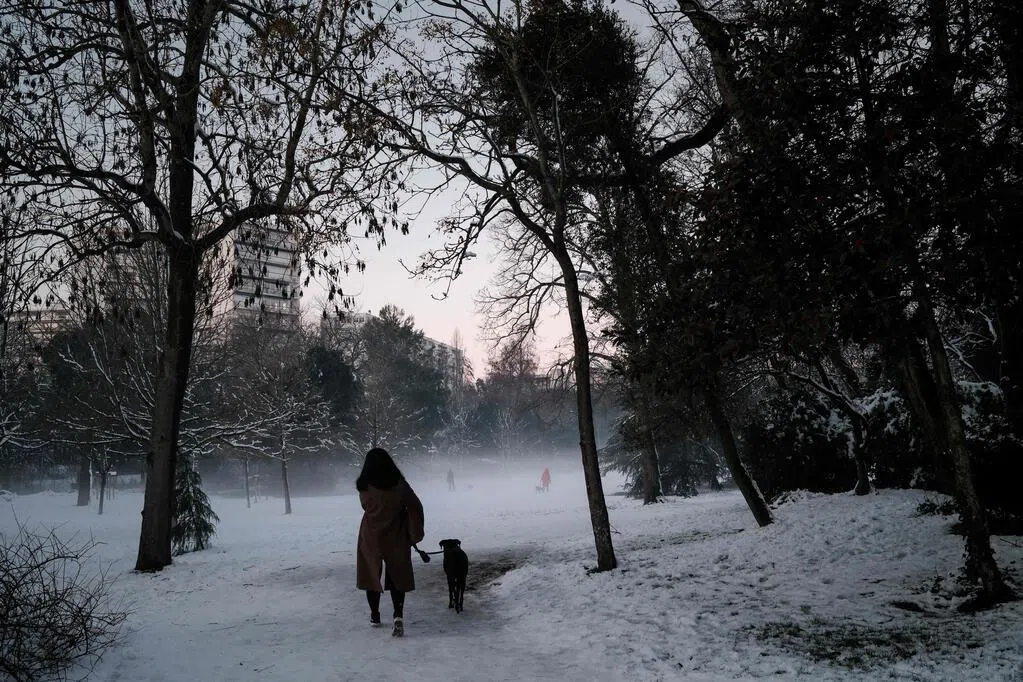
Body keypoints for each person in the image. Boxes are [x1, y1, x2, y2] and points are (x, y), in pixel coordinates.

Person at [356, 448, 425, 638]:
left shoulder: (364, 486)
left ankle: (375, 615)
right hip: (396, 534)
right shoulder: (399, 485)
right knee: (397, 575)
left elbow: (366, 506)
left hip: (371, 535)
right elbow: (415, 506)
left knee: (371, 574)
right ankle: (398, 615)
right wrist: (414, 532)